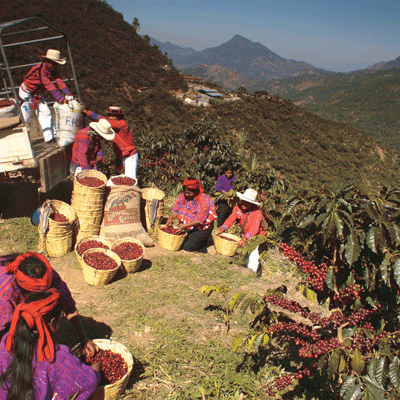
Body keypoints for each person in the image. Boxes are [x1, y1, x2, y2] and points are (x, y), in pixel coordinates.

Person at [0, 289, 101, 400]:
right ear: (53, 323)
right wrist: (97, 365)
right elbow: (89, 381)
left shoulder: (7, 342)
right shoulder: (56, 358)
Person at [0, 252, 96, 356]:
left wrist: (84, 339)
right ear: (27, 294)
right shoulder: (6, 295)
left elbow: (70, 308)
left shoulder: (49, 277)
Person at [19, 49, 74, 143]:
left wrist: (68, 94)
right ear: (47, 61)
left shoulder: (52, 70)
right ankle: (24, 140)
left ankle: (50, 137)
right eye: (53, 63)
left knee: (46, 113)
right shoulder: (39, 70)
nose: (55, 65)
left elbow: (59, 81)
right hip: (26, 92)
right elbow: (49, 85)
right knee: (25, 117)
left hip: (37, 93)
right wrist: (61, 99)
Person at [215, 188, 267, 273]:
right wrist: (222, 229)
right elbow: (231, 219)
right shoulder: (238, 208)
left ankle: (251, 273)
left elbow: (254, 229)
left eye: (247, 202)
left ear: (251, 204)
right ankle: (243, 271)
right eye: (243, 201)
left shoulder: (257, 213)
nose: (243, 204)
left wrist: (246, 239)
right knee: (246, 254)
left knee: (254, 255)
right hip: (247, 235)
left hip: (258, 238)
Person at [83, 107, 139, 183]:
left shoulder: (122, 124)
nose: (110, 117)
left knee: (130, 180)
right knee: (126, 178)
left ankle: (133, 193)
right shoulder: (114, 129)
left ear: (119, 116)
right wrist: (119, 160)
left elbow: (106, 122)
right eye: (109, 115)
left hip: (130, 156)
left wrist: (89, 114)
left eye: (113, 115)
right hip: (123, 156)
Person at [166, 178, 217, 252]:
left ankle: (204, 242)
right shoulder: (182, 197)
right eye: (185, 192)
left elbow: (200, 219)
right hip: (188, 225)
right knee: (179, 241)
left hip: (201, 227)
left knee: (188, 247)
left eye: (189, 193)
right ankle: (197, 239)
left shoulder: (203, 200)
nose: (186, 195)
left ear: (196, 191)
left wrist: (185, 226)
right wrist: (170, 219)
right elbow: (175, 210)